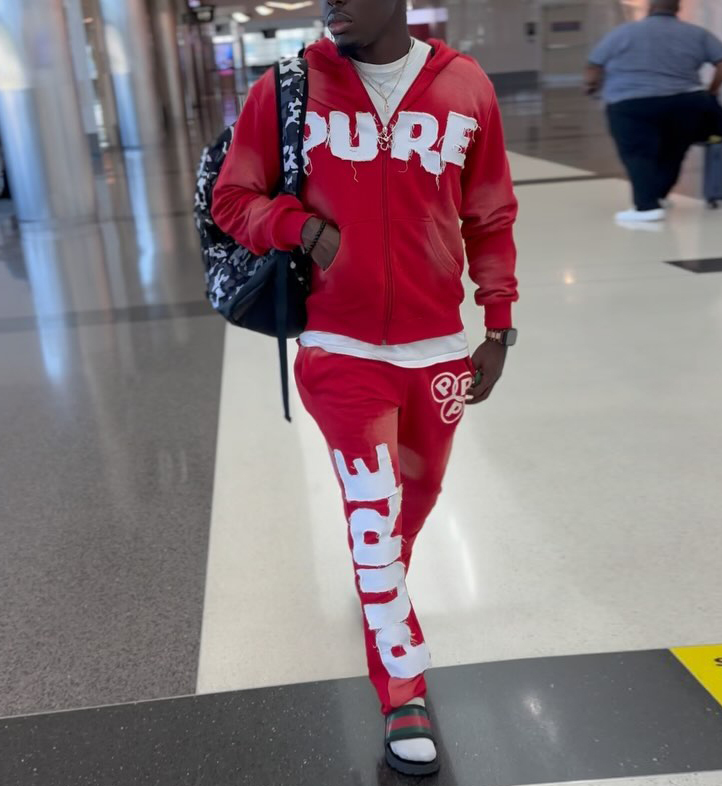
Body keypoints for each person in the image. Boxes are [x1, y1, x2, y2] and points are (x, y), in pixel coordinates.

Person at [212, 0, 518, 775]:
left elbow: (489, 213)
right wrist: (298, 227)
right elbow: (232, 200)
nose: (332, 4)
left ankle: (381, 587)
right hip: (339, 348)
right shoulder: (286, 89)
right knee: (374, 517)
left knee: (415, 502)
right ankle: (402, 690)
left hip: (438, 349)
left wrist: (499, 322)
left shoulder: (465, 85)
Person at [585, 0, 722, 223]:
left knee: (638, 153)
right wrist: (713, 90)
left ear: (650, 8)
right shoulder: (696, 33)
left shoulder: (623, 32)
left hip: (631, 103)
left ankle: (646, 207)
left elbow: (594, 65)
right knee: (673, 151)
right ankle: (658, 195)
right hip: (685, 102)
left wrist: (591, 85)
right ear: (677, 9)